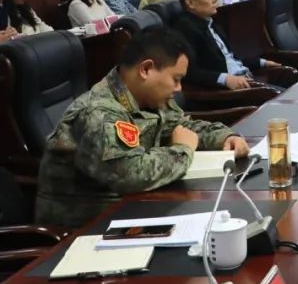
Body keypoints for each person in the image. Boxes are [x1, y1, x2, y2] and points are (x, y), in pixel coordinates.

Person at [35, 28, 250, 229]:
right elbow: (132, 175)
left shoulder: (147, 98)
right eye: (175, 79)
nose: (179, 88)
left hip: (135, 209)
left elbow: (182, 127)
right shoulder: (99, 113)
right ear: (146, 69)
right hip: (87, 229)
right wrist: (182, 150)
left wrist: (224, 137)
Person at [171, 0, 283, 90]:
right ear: (190, 3)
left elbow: (230, 59)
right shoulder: (184, 30)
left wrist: (261, 62)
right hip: (225, 89)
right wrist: (225, 79)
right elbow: (189, 72)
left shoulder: (211, 23)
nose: (214, 0)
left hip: (245, 78)